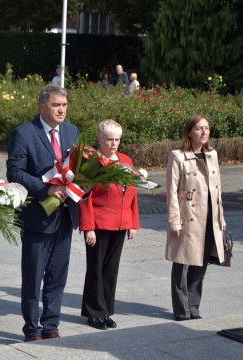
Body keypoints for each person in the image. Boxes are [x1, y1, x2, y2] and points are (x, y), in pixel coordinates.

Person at [6, 84, 83, 342]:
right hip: (37, 217)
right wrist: (45, 189)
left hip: (64, 216)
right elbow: (14, 172)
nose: (61, 110)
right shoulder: (24, 133)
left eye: (64, 105)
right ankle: (32, 329)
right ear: (42, 106)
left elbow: (79, 167)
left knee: (57, 275)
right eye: (56, 105)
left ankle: (51, 325)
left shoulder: (72, 131)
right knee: (33, 276)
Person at [79, 120, 139, 330]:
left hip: (121, 223)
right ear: (99, 139)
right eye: (109, 139)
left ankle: (105, 311)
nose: (113, 144)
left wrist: (133, 223)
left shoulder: (125, 160)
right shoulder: (92, 162)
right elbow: (84, 196)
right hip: (99, 223)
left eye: (117, 139)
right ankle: (93, 313)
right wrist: (88, 227)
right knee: (95, 269)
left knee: (111, 269)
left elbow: (131, 193)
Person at [166, 114, 226, 321]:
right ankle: (182, 309)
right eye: (199, 128)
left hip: (210, 216)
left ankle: (194, 306)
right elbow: (172, 191)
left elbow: (218, 192)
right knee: (182, 263)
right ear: (189, 132)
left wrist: (221, 220)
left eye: (207, 128)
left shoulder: (212, 155)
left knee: (201, 263)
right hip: (188, 216)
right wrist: (174, 220)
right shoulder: (178, 156)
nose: (204, 132)